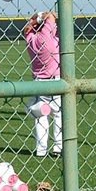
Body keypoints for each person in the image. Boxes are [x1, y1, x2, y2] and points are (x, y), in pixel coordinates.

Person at [24, 10, 62, 157]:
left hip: (39, 83)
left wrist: (35, 19)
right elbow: (51, 16)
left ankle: (41, 150)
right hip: (55, 81)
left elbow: (27, 29)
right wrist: (44, 15)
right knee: (58, 115)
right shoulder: (47, 37)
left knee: (40, 117)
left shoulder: (31, 39)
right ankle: (58, 148)